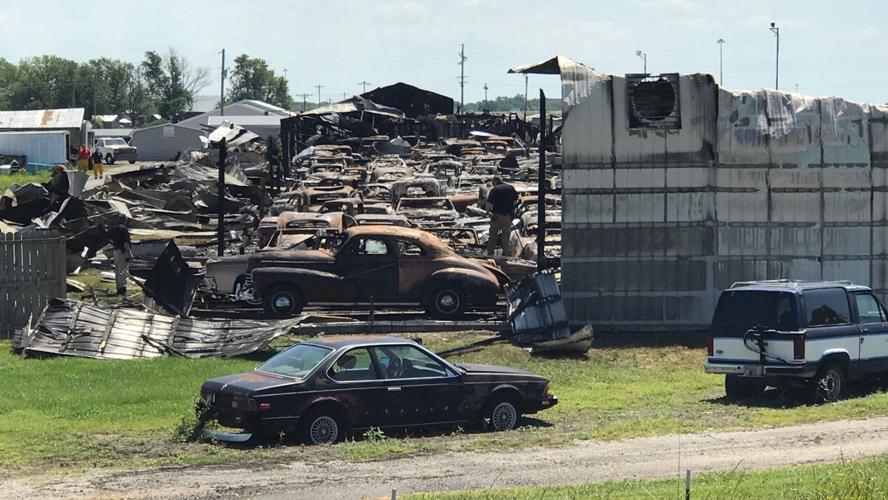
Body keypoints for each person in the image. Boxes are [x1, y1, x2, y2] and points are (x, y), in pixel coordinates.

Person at [485, 176, 518, 256]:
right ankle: (505, 253)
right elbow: (515, 201)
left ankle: (490, 253)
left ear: (495, 181)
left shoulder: (495, 190)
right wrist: (512, 211)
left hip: (496, 216)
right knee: (506, 236)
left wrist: (488, 212)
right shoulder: (510, 188)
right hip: (507, 216)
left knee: (493, 235)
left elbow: (489, 203)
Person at [107, 224, 133, 296]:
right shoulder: (123, 229)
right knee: (123, 270)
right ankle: (122, 289)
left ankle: (118, 287)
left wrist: (116, 244)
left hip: (116, 251)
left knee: (117, 270)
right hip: (123, 251)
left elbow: (109, 239)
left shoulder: (113, 228)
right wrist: (130, 254)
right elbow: (126, 243)